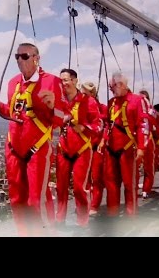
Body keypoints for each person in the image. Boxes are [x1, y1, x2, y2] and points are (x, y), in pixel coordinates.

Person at [0, 42, 65, 236]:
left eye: (24, 56)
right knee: (17, 199)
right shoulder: (13, 83)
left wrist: (52, 106)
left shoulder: (51, 82)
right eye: (17, 57)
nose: (19, 60)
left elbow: (61, 118)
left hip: (38, 148)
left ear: (36, 58)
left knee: (36, 200)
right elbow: (11, 112)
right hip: (13, 148)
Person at [98, 71, 149, 217]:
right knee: (111, 184)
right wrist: (103, 139)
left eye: (111, 86)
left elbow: (143, 124)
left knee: (129, 184)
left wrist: (141, 147)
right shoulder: (112, 103)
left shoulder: (137, 100)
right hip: (111, 148)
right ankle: (112, 214)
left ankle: (130, 216)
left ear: (120, 84)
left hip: (128, 149)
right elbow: (108, 124)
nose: (110, 89)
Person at [55, 70, 101, 229]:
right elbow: (54, 119)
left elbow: (98, 125)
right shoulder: (59, 101)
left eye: (66, 80)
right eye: (60, 80)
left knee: (80, 188)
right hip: (63, 149)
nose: (63, 83)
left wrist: (84, 127)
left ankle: (82, 223)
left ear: (75, 81)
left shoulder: (88, 101)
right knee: (60, 187)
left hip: (82, 150)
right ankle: (59, 220)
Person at [80, 81, 107, 216]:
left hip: (97, 147)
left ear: (92, 93)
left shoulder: (102, 108)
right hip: (84, 148)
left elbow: (108, 126)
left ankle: (95, 205)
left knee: (96, 178)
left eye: (85, 93)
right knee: (86, 178)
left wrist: (103, 140)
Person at [138, 90, 157, 199]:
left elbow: (154, 123)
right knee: (136, 167)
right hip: (140, 140)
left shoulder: (151, 111)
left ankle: (146, 189)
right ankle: (137, 187)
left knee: (148, 167)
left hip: (147, 141)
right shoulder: (140, 109)